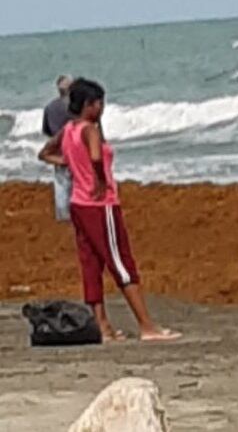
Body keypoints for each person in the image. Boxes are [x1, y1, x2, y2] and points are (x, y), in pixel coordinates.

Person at [37, 78, 181, 342]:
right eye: (98, 102)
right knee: (121, 262)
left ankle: (103, 328)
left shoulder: (69, 129)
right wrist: (101, 180)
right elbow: (94, 157)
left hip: (78, 203)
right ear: (89, 105)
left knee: (90, 264)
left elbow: (45, 153)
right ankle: (147, 326)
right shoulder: (90, 129)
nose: (102, 107)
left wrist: (69, 163)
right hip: (99, 204)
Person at [41, 75, 74, 222]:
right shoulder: (75, 107)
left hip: (58, 152)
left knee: (61, 184)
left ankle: (62, 215)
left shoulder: (49, 107)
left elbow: (47, 131)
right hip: (75, 150)